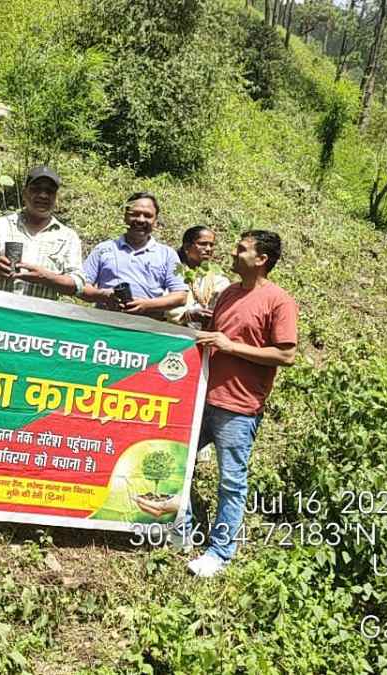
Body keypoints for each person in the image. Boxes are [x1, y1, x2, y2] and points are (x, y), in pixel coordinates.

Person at [187, 229, 298, 577]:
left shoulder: (279, 301)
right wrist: (204, 322)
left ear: (262, 260)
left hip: (238, 406)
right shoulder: (229, 293)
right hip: (203, 396)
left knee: (231, 481)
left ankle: (221, 551)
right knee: (180, 463)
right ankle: (184, 527)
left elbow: (286, 354)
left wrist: (231, 346)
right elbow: (221, 332)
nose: (233, 252)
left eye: (242, 249)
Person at [0, 166, 84, 300]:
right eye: (36, 189)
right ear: (24, 193)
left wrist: (46, 278)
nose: (43, 195)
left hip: (38, 318)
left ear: (56, 197)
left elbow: (77, 284)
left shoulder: (68, 237)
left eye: (49, 191)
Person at [79, 192, 187, 317]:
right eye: (134, 214)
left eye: (147, 216)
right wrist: (104, 296)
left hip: (148, 328)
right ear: (125, 217)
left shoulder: (168, 254)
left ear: (155, 221)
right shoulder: (103, 249)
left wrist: (146, 305)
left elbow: (181, 296)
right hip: (106, 325)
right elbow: (82, 287)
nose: (140, 220)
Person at [167, 225, 232, 329]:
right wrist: (188, 315)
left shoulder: (218, 278)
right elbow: (167, 303)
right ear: (187, 247)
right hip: (174, 330)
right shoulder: (173, 272)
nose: (208, 249)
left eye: (211, 245)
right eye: (203, 244)